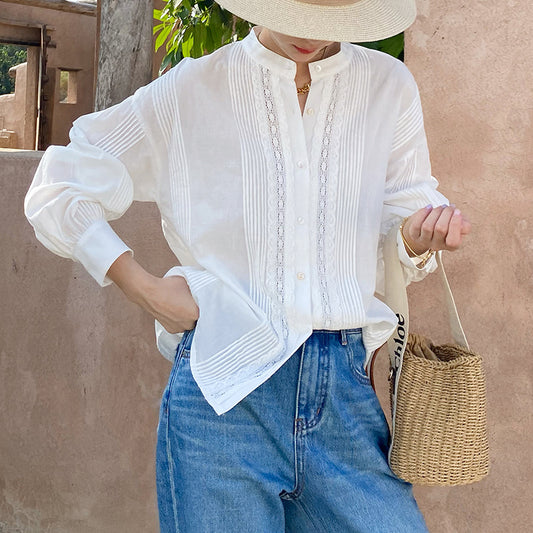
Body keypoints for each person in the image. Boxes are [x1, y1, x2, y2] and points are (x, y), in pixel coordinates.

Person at [25, 0, 471, 531]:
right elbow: (61, 183)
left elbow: (402, 213)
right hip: (223, 391)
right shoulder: (191, 89)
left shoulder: (388, 86)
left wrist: (418, 236)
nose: (311, 35)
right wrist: (143, 287)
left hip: (345, 394)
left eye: (329, 20)